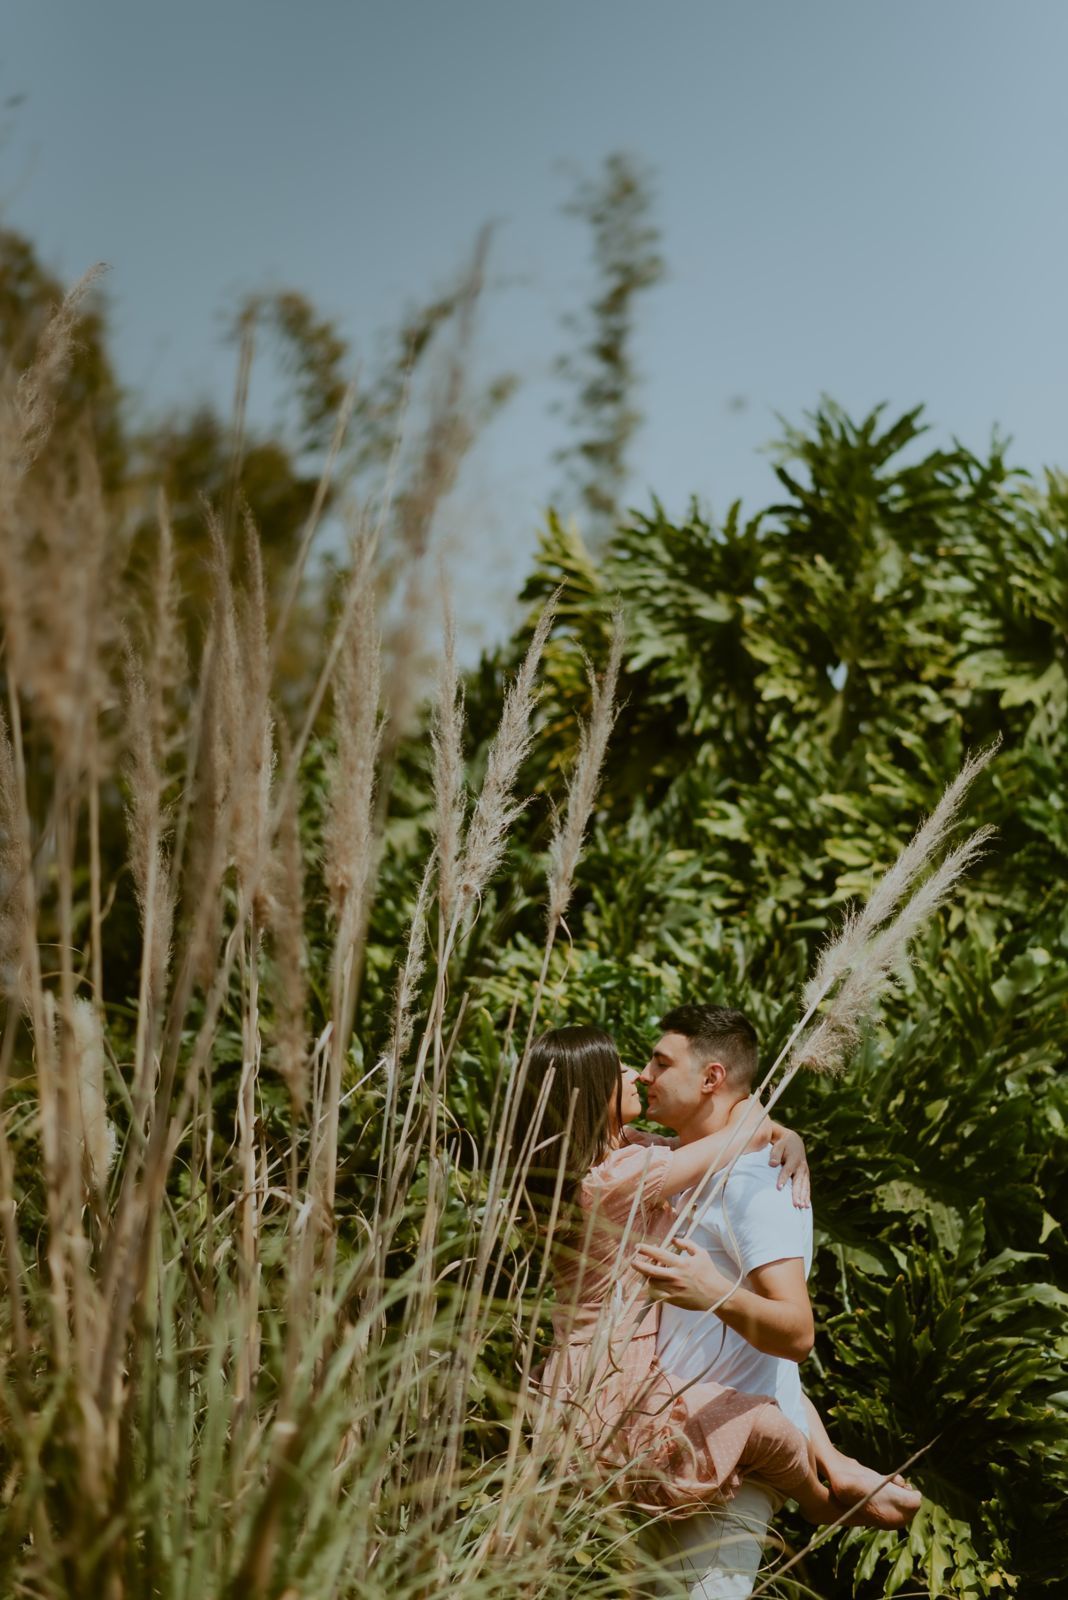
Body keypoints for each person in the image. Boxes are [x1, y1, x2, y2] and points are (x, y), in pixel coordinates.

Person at [515, 1024, 917, 1539]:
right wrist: (769, 1126)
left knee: (759, 1383)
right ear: (589, 1093)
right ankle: (819, 1501)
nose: (637, 1074)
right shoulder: (611, 1182)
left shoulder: (622, 1156)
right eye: (619, 1069)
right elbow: (740, 1134)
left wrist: (784, 1135)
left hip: (612, 1359)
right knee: (761, 1424)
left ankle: (834, 1464)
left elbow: (732, 1140)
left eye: (652, 1063)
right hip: (606, 1376)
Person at [631, 1003, 919, 1598]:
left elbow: (795, 1334)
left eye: (661, 1062)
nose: (644, 1074)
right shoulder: (684, 1167)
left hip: (726, 1474)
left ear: (711, 1078)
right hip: (659, 1452)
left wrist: (714, 1292)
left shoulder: (755, 1184)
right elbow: (765, 1364)